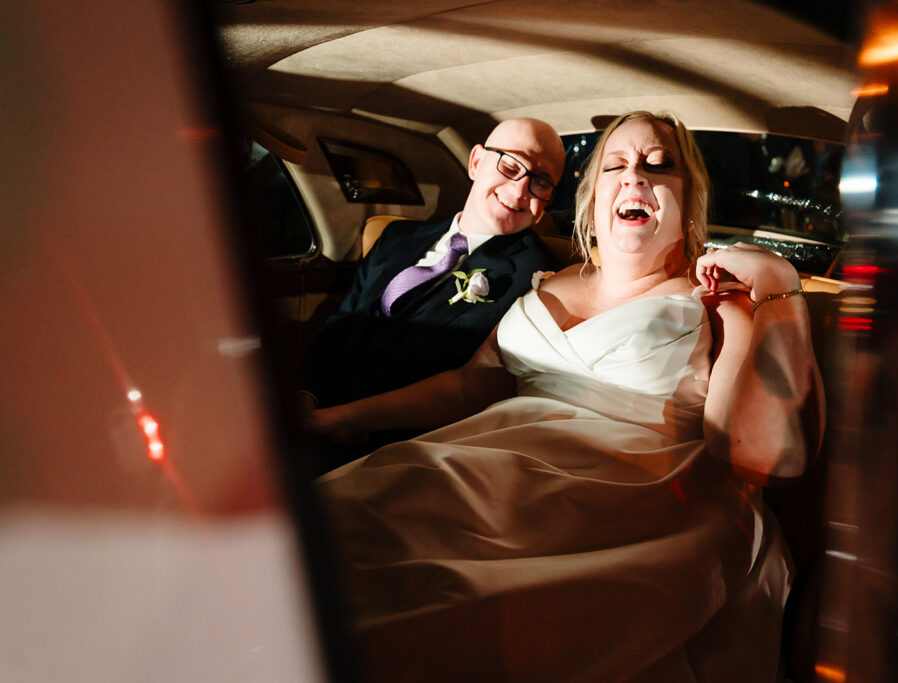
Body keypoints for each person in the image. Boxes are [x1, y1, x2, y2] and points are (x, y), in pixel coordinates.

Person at [312, 111, 825, 681]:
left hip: (622, 502)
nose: (635, 177)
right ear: (594, 195)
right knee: (325, 533)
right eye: (616, 164)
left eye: (659, 166)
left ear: (688, 200)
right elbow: (471, 383)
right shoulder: (547, 281)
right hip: (471, 468)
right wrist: (337, 420)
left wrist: (782, 288)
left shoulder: (716, 302)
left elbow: (765, 457)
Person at [298, 117, 565, 415]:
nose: (519, 192)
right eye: (511, 166)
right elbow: (342, 323)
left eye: (541, 182)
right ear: (476, 162)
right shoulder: (395, 237)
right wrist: (307, 395)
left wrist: (347, 421)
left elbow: (477, 390)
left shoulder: (538, 278)